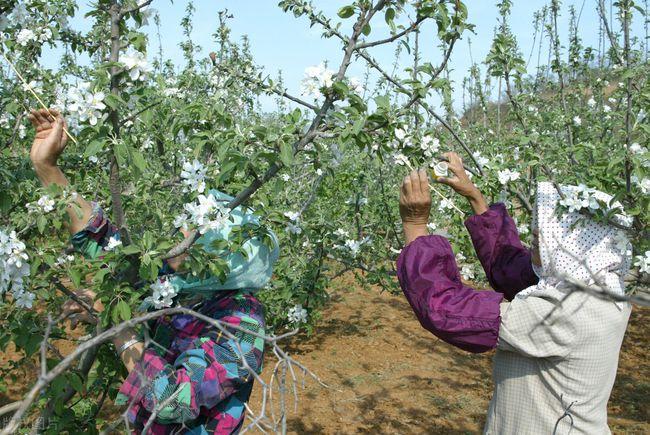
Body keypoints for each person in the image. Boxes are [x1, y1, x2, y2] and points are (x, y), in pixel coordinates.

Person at [27, 108, 279, 434]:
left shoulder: (242, 323)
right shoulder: (178, 281)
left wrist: (118, 325)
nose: (180, 230)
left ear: (225, 255)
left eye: (196, 230)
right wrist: (47, 168)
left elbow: (175, 400)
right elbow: (100, 239)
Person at [397, 152, 632, 434]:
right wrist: (475, 197)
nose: (535, 233)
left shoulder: (563, 312)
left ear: (578, 243)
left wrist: (414, 225)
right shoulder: (598, 286)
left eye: (549, 230)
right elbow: (512, 271)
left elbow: (446, 310)